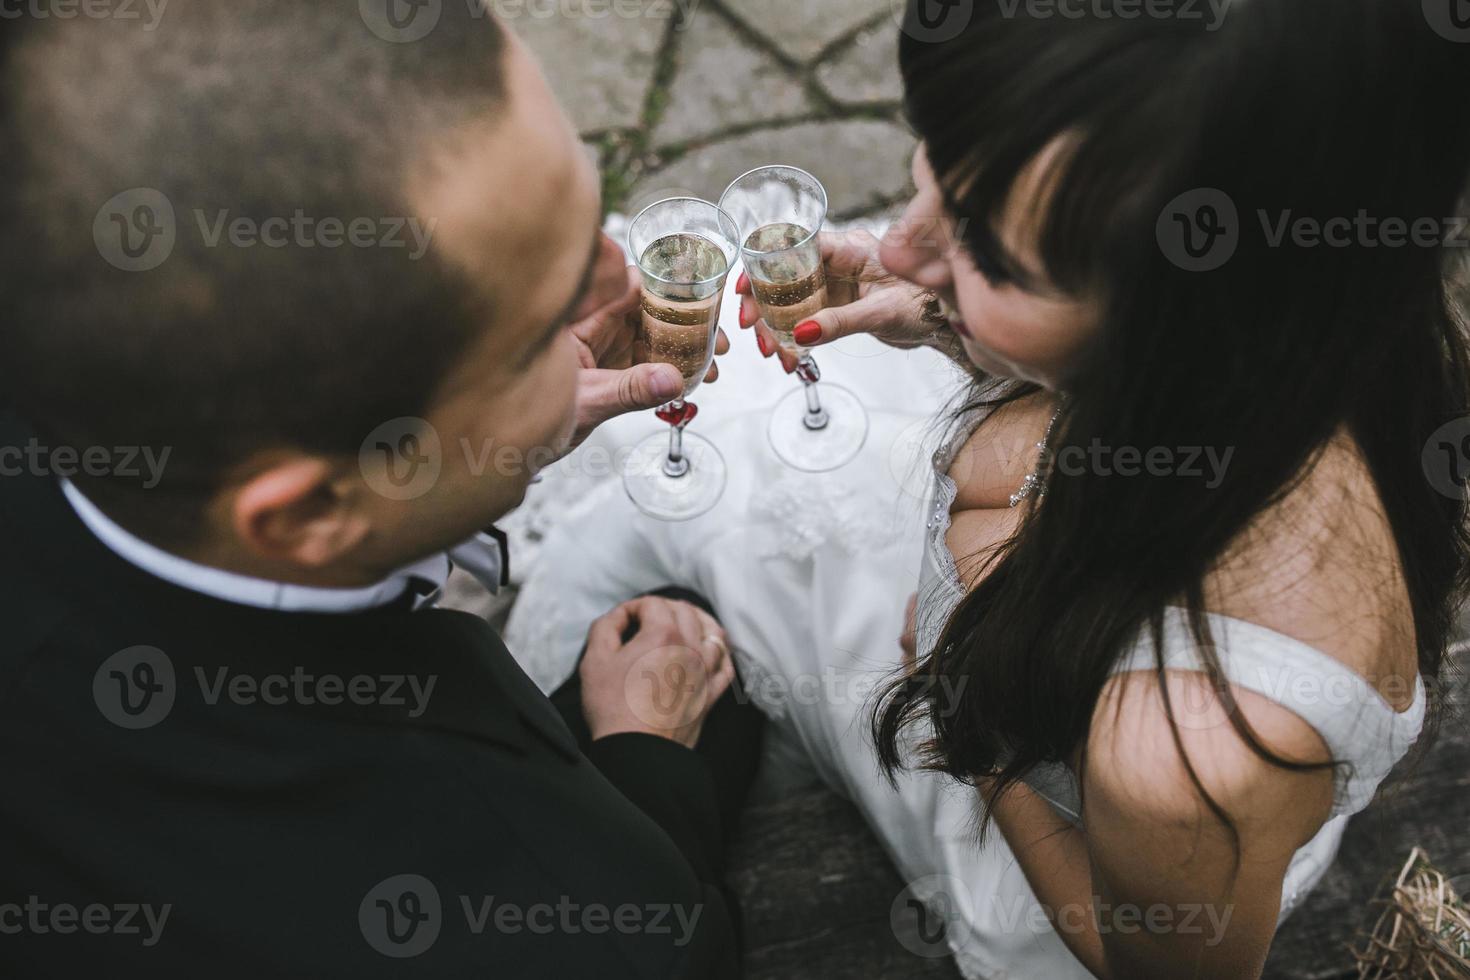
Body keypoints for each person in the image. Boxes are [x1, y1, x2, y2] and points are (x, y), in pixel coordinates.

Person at [520, 0, 1470, 976]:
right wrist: (949, 318)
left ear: (1180, 325)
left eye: (986, 249)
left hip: (1044, 819)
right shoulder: (1315, 325)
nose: (894, 248)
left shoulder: (1179, 758)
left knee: (734, 514)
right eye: (930, 163)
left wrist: (969, 719)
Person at [0, 5, 762, 976]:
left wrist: (491, 432)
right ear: (312, 512)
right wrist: (647, 750)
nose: (622, 279)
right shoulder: (581, 919)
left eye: (589, 216)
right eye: (537, 335)